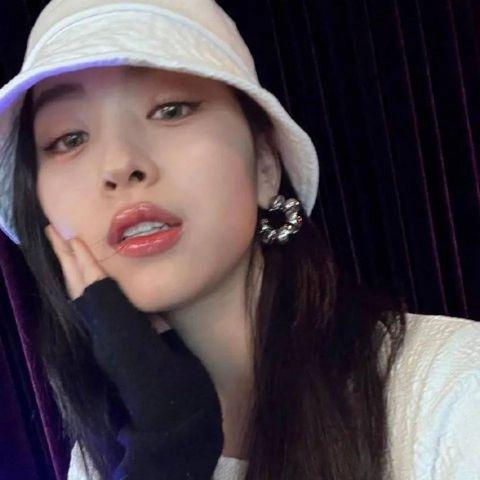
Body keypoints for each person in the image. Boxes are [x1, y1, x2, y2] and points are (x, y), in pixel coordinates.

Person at [0, 1, 479, 479]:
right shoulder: (102, 458)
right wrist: (169, 449)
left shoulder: (453, 388)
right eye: (69, 138)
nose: (120, 164)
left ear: (265, 165)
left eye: (170, 109)